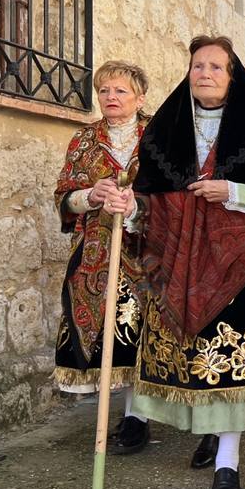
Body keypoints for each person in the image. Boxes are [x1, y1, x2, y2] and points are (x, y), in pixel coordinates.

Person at [130, 35, 245, 489]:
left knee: (234, 367)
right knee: (198, 360)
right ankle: (207, 438)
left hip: (243, 264)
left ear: (233, 76)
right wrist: (128, 206)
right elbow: (147, 199)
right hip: (180, 263)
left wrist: (233, 192)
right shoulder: (162, 132)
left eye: (216, 67)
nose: (204, 73)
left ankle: (228, 462)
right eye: (198, 65)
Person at [53, 60, 151, 453]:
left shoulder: (158, 137)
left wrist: (136, 204)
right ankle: (119, 415)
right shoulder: (83, 140)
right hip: (94, 249)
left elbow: (174, 193)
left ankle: (137, 419)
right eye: (104, 91)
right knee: (106, 329)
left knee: (139, 329)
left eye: (120, 91)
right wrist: (89, 196)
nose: (111, 97)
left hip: (147, 250)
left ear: (140, 98)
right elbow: (64, 193)